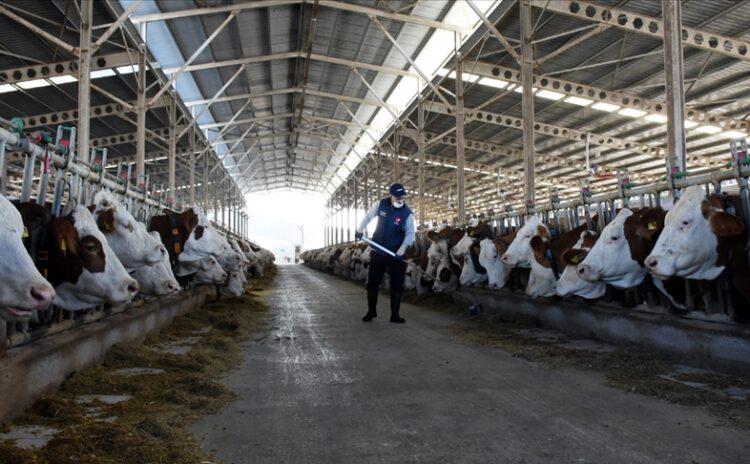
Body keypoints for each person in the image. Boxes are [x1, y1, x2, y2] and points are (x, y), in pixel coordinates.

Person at [355, 183, 415, 323]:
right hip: (378, 251)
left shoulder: (407, 213)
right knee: (373, 282)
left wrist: (403, 248)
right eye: (397, 197)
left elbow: (410, 234)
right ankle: (371, 311)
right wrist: (360, 229)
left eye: (402, 197)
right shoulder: (380, 205)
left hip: (396, 254)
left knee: (396, 284)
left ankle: (395, 315)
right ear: (391, 195)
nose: (400, 199)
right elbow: (368, 217)